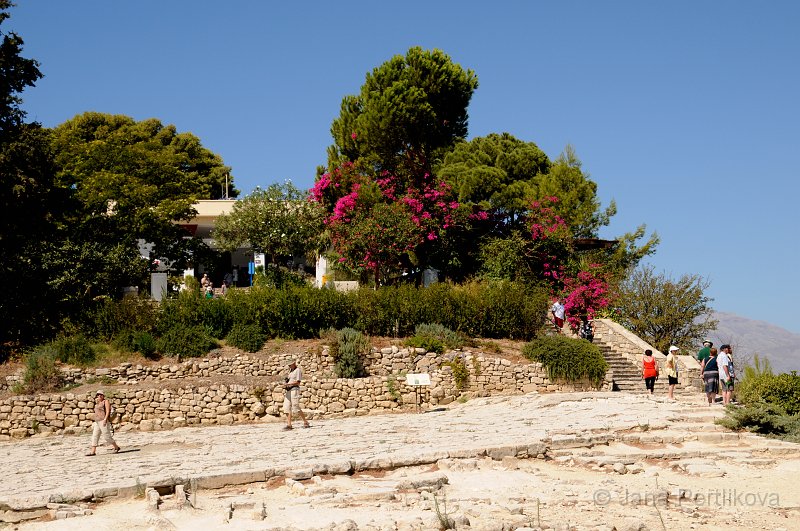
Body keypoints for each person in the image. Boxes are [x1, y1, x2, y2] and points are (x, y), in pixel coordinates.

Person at [86, 390, 120, 456]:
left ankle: (116, 447)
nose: (99, 396)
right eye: (98, 395)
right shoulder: (98, 403)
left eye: (100, 394)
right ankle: (93, 451)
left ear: (103, 395)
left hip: (103, 421)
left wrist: (105, 419)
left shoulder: (106, 402)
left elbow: (107, 411)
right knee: (95, 436)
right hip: (97, 421)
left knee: (107, 436)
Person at [283, 360, 310, 430]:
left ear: (294, 363)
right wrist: (286, 383)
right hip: (289, 390)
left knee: (296, 406)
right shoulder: (290, 371)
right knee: (286, 406)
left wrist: (288, 384)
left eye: (290, 365)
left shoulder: (297, 370)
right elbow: (290, 380)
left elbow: (298, 382)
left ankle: (305, 422)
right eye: (289, 365)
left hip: (294, 389)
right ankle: (289, 425)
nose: (289, 366)